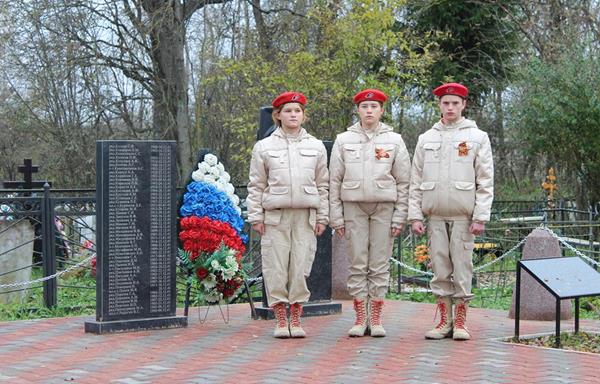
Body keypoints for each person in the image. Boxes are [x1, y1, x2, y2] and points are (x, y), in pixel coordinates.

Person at [408, 82, 494, 341]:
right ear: (439, 105)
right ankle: (444, 320)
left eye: (455, 103)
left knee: (462, 266)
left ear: (463, 105)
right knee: (440, 267)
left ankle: (461, 322)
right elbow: (415, 180)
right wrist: (414, 215)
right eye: (446, 103)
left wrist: (480, 216)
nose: (450, 107)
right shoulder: (426, 138)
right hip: (435, 215)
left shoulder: (477, 137)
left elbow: (485, 179)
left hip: (463, 216)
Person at [247, 91, 329, 339]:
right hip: (275, 216)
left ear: (303, 115)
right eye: (288, 111)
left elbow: (322, 185)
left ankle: (296, 316)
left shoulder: (315, 146)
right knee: (276, 267)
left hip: (305, 216)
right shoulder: (264, 146)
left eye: (297, 111)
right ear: (278, 115)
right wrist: (256, 217)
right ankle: (281, 318)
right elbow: (256, 185)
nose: (293, 115)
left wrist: (323, 217)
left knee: (300, 267)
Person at [329, 89, 411, 337]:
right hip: (353, 206)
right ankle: (360, 317)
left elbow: (404, 182)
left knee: (379, 263)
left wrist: (400, 217)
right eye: (364, 107)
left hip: (383, 207)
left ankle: (375, 318)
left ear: (382, 110)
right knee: (357, 262)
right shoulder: (343, 140)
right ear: (358, 110)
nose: (369, 111)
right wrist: (336, 217)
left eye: (374, 106)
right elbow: (334, 181)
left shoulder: (394, 140)